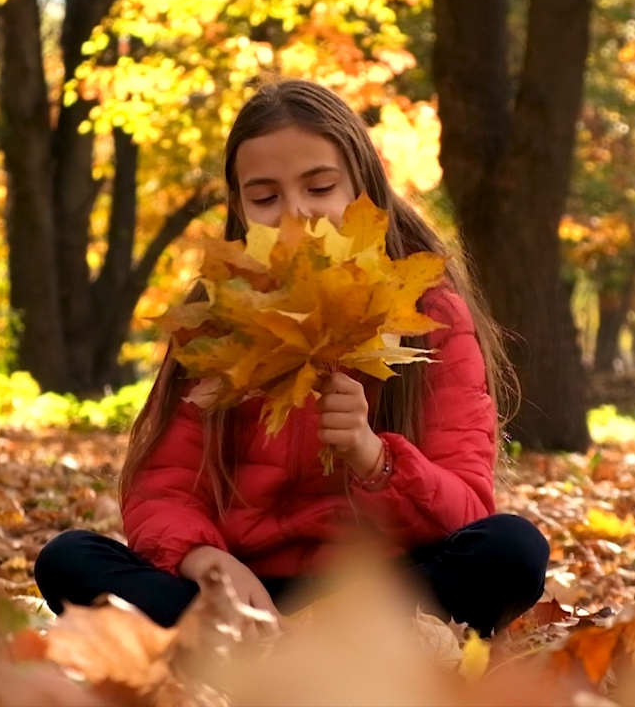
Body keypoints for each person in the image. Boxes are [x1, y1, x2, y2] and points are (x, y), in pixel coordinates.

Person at [34, 78, 549, 637]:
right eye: (264, 197)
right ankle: (281, 645)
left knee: (512, 550)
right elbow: (163, 487)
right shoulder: (216, 316)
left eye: (320, 186)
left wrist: (372, 456)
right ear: (239, 208)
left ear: (363, 191)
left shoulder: (427, 310)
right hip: (246, 591)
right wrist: (206, 561)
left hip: (384, 590)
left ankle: (291, 647)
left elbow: (469, 507)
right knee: (69, 560)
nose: (295, 215)